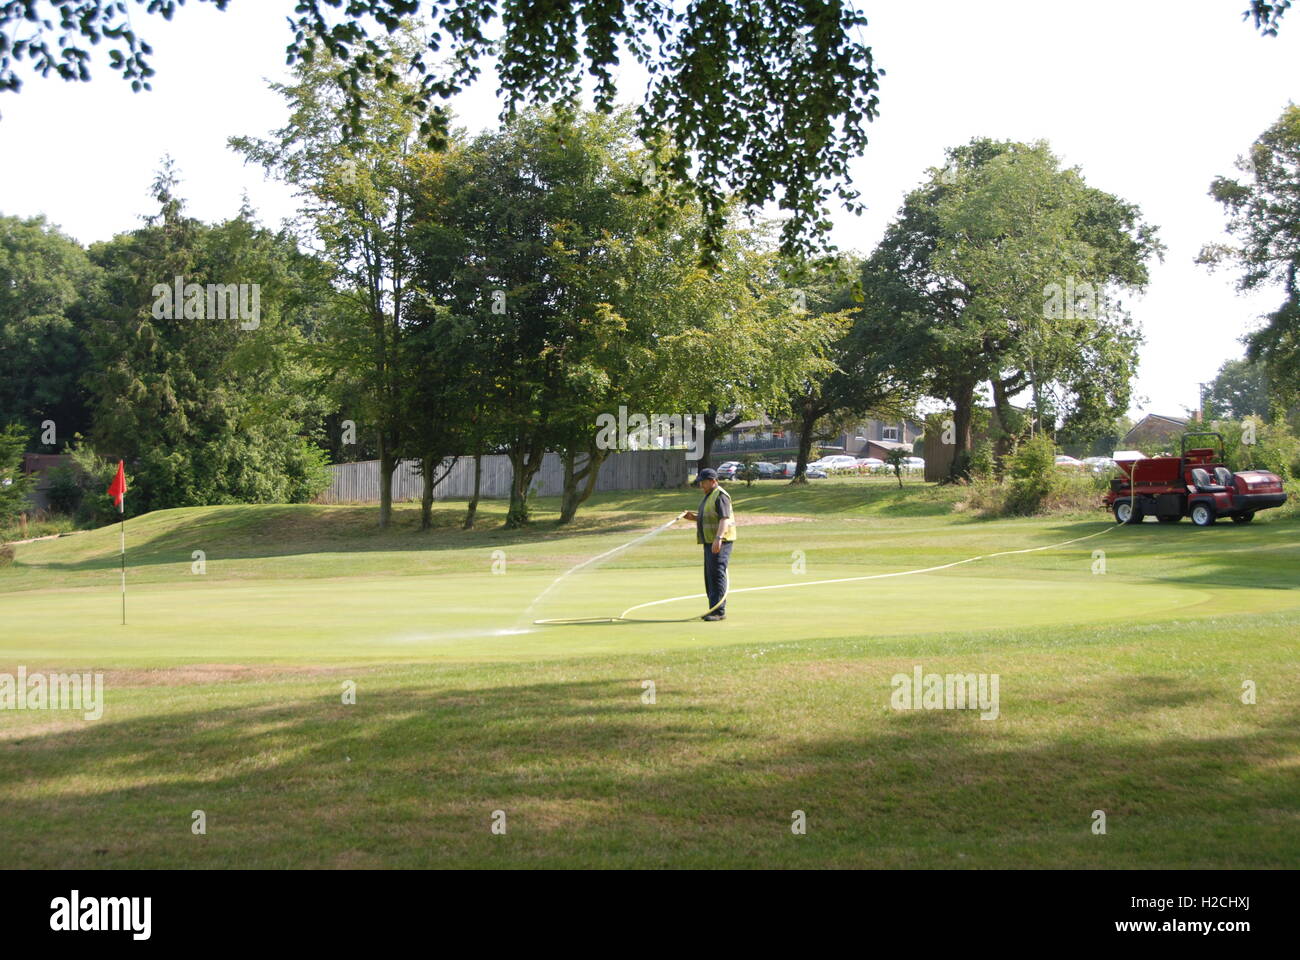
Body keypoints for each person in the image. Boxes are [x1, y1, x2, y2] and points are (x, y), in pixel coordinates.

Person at [681, 467, 736, 621]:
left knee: (717, 574)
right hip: (709, 541)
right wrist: (693, 517)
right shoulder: (709, 495)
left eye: (703, 483)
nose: (701, 486)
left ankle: (719, 611)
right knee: (709, 576)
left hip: (720, 541)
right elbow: (708, 517)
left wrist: (718, 538)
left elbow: (724, 519)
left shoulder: (720, 496)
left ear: (713, 481)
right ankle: (713, 608)